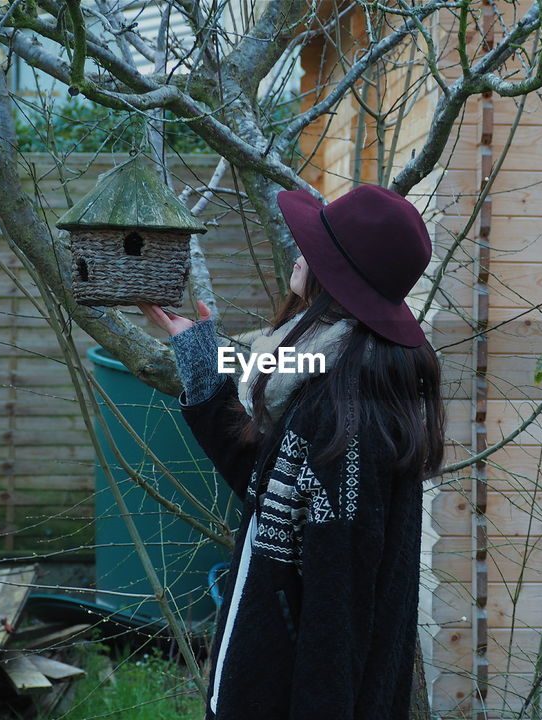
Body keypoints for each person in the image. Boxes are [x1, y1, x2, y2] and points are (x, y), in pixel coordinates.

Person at [138, 184, 446, 720]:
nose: (301, 252)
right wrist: (199, 359)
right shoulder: (332, 372)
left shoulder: (349, 419)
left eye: (315, 247)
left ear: (339, 276)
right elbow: (271, 494)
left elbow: (336, 613)